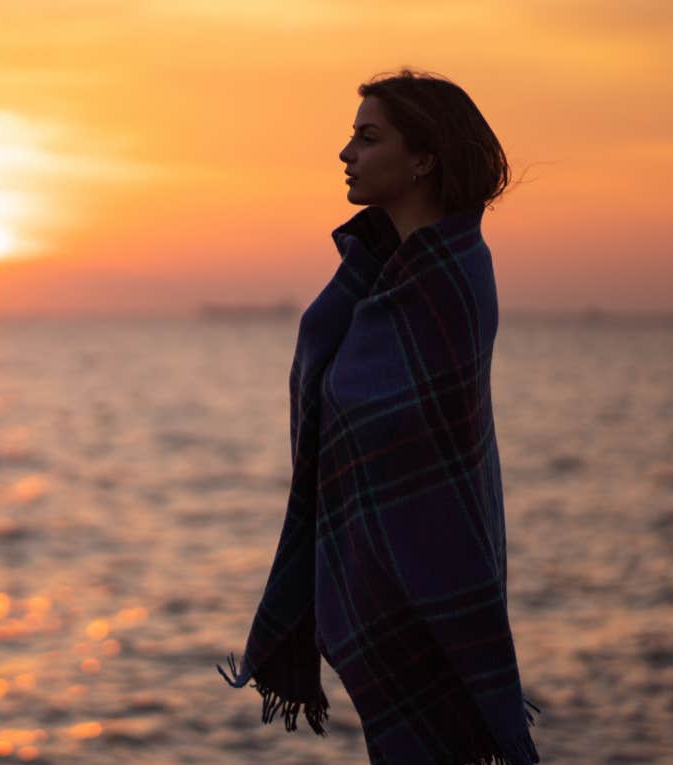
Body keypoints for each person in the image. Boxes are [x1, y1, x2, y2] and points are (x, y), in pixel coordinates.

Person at [218, 68, 541, 764]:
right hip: (378, 586)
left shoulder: (449, 278)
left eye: (368, 137)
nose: (346, 152)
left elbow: (420, 451)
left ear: (423, 157)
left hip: (426, 590)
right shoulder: (374, 274)